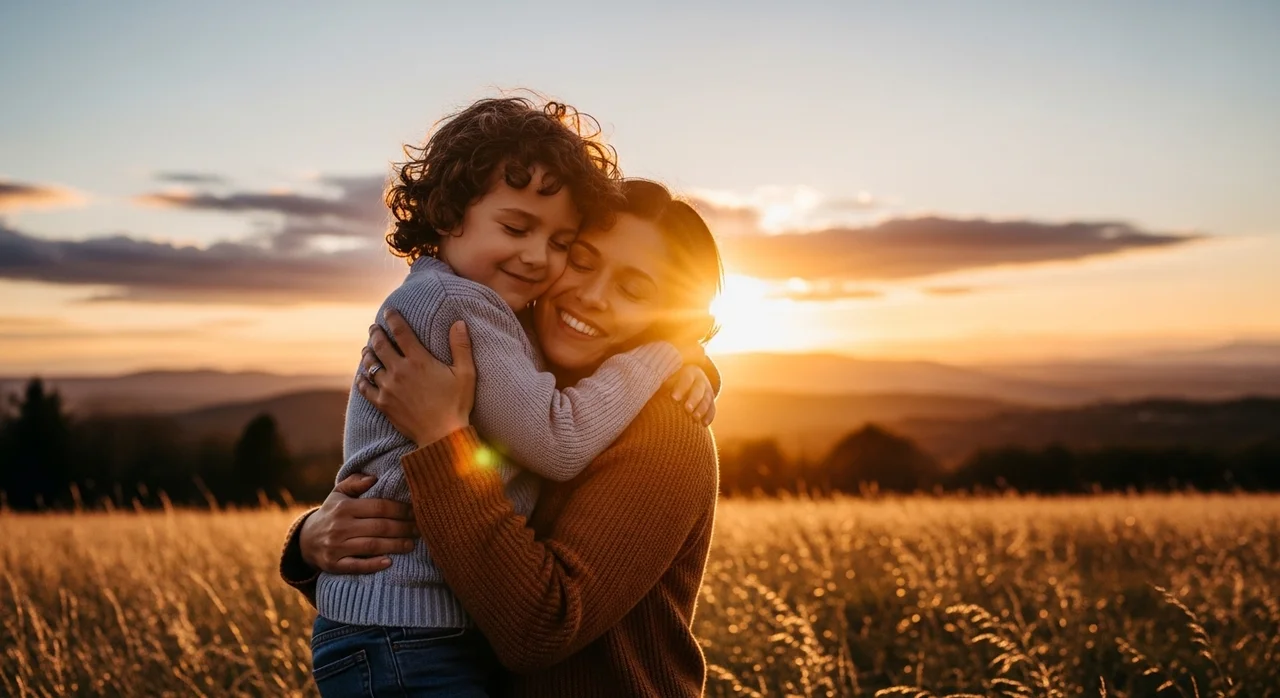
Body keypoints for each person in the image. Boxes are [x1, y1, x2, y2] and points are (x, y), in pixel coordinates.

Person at [314, 97, 715, 696]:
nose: (590, 295)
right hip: (409, 640)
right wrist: (314, 538)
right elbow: (412, 515)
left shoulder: (666, 428)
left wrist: (442, 439)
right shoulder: (490, 340)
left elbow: (538, 629)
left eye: (633, 289)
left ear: (672, 314)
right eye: (581, 260)